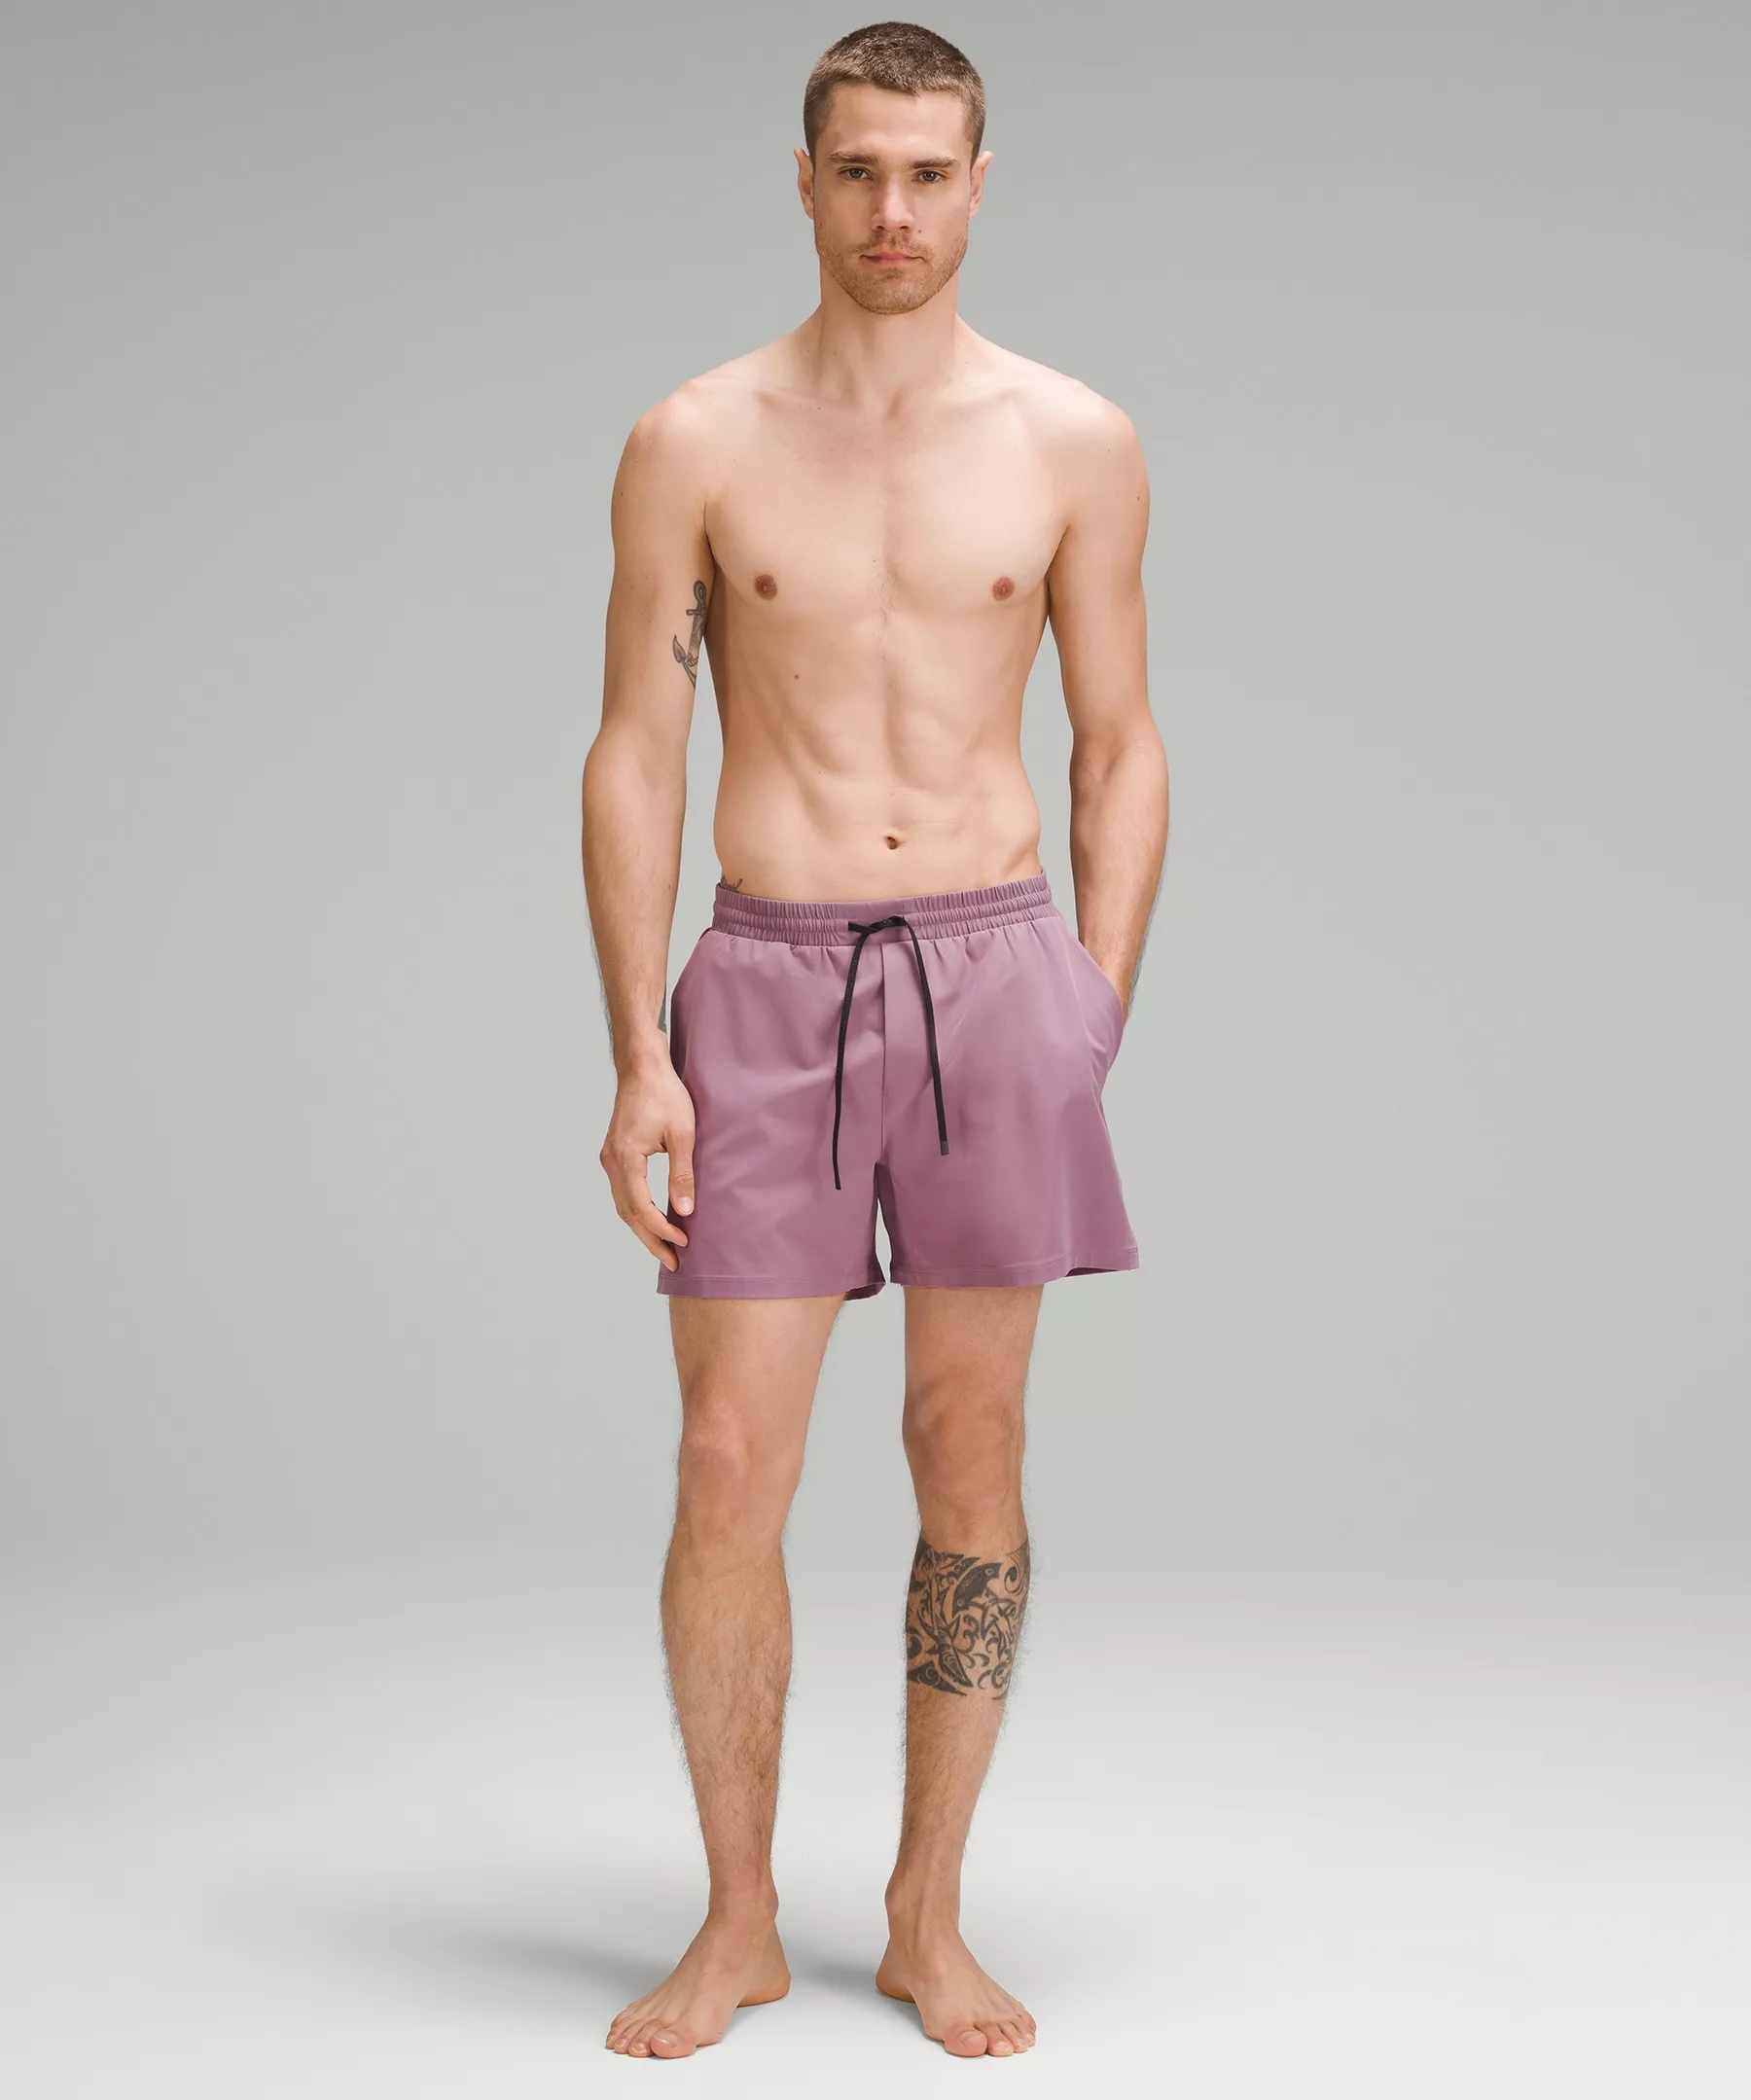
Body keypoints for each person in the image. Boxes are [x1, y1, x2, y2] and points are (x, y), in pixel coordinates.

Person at [580, 18, 1168, 2063]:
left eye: (928, 173)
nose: (893, 211)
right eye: (859, 172)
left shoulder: (1074, 439)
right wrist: (638, 1050)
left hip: (998, 976)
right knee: (725, 1462)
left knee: (968, 1448)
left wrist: (1092, 994)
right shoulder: (696, 439)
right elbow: (635, 750)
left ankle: (927, 1909)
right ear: (806, 181)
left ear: (980, 183)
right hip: (766, 978)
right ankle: (739, 1917)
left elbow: (1121, 743)